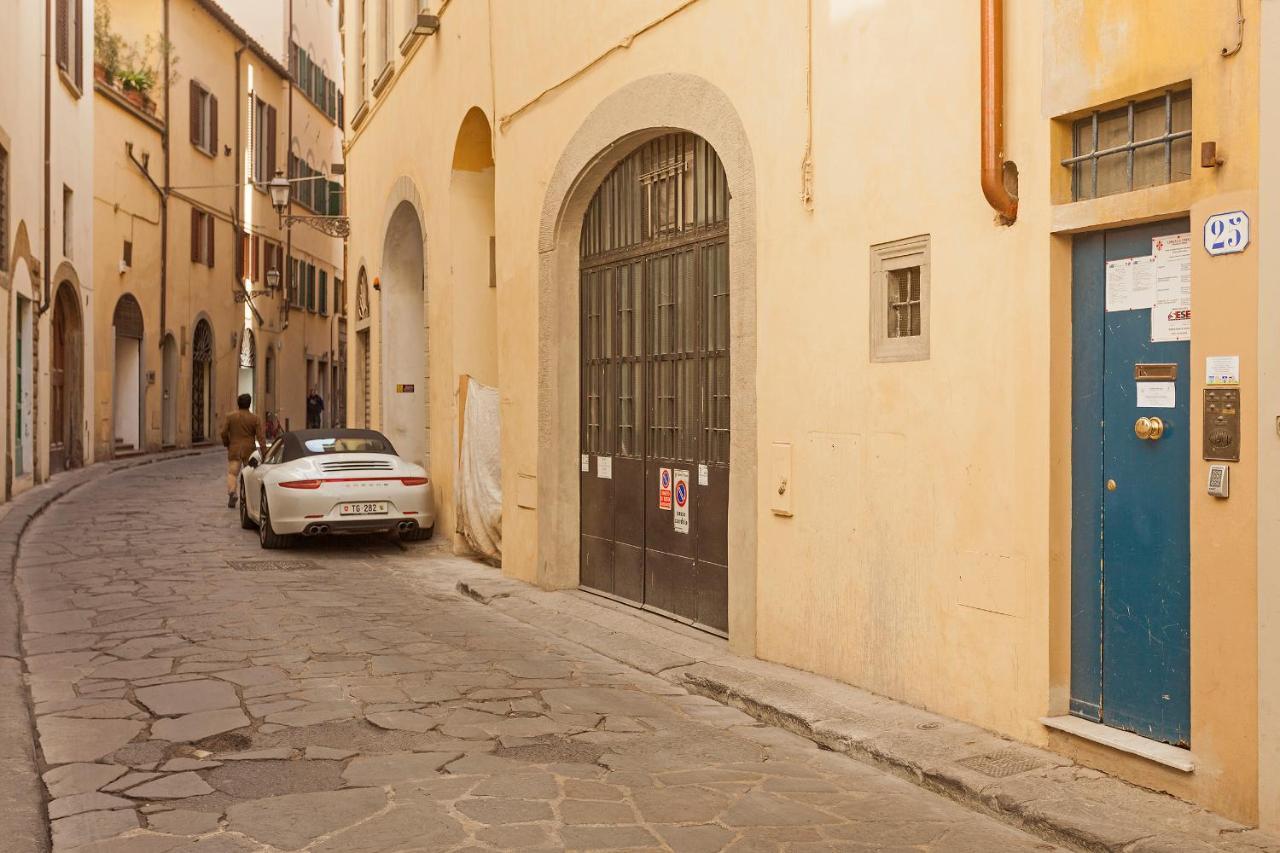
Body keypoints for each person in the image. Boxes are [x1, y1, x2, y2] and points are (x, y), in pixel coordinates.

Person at [220, 393, 265, 508]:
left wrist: (227, 443)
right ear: (249, 404)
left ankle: (232, 493)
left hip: (234, 448)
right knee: (249, 474)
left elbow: (224, 433)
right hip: (249, 450)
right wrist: (264, 452)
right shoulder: (255, 418)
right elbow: (260, 437)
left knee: (232, 473)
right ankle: (248, 497)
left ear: (238, 403)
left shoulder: (230, 417)